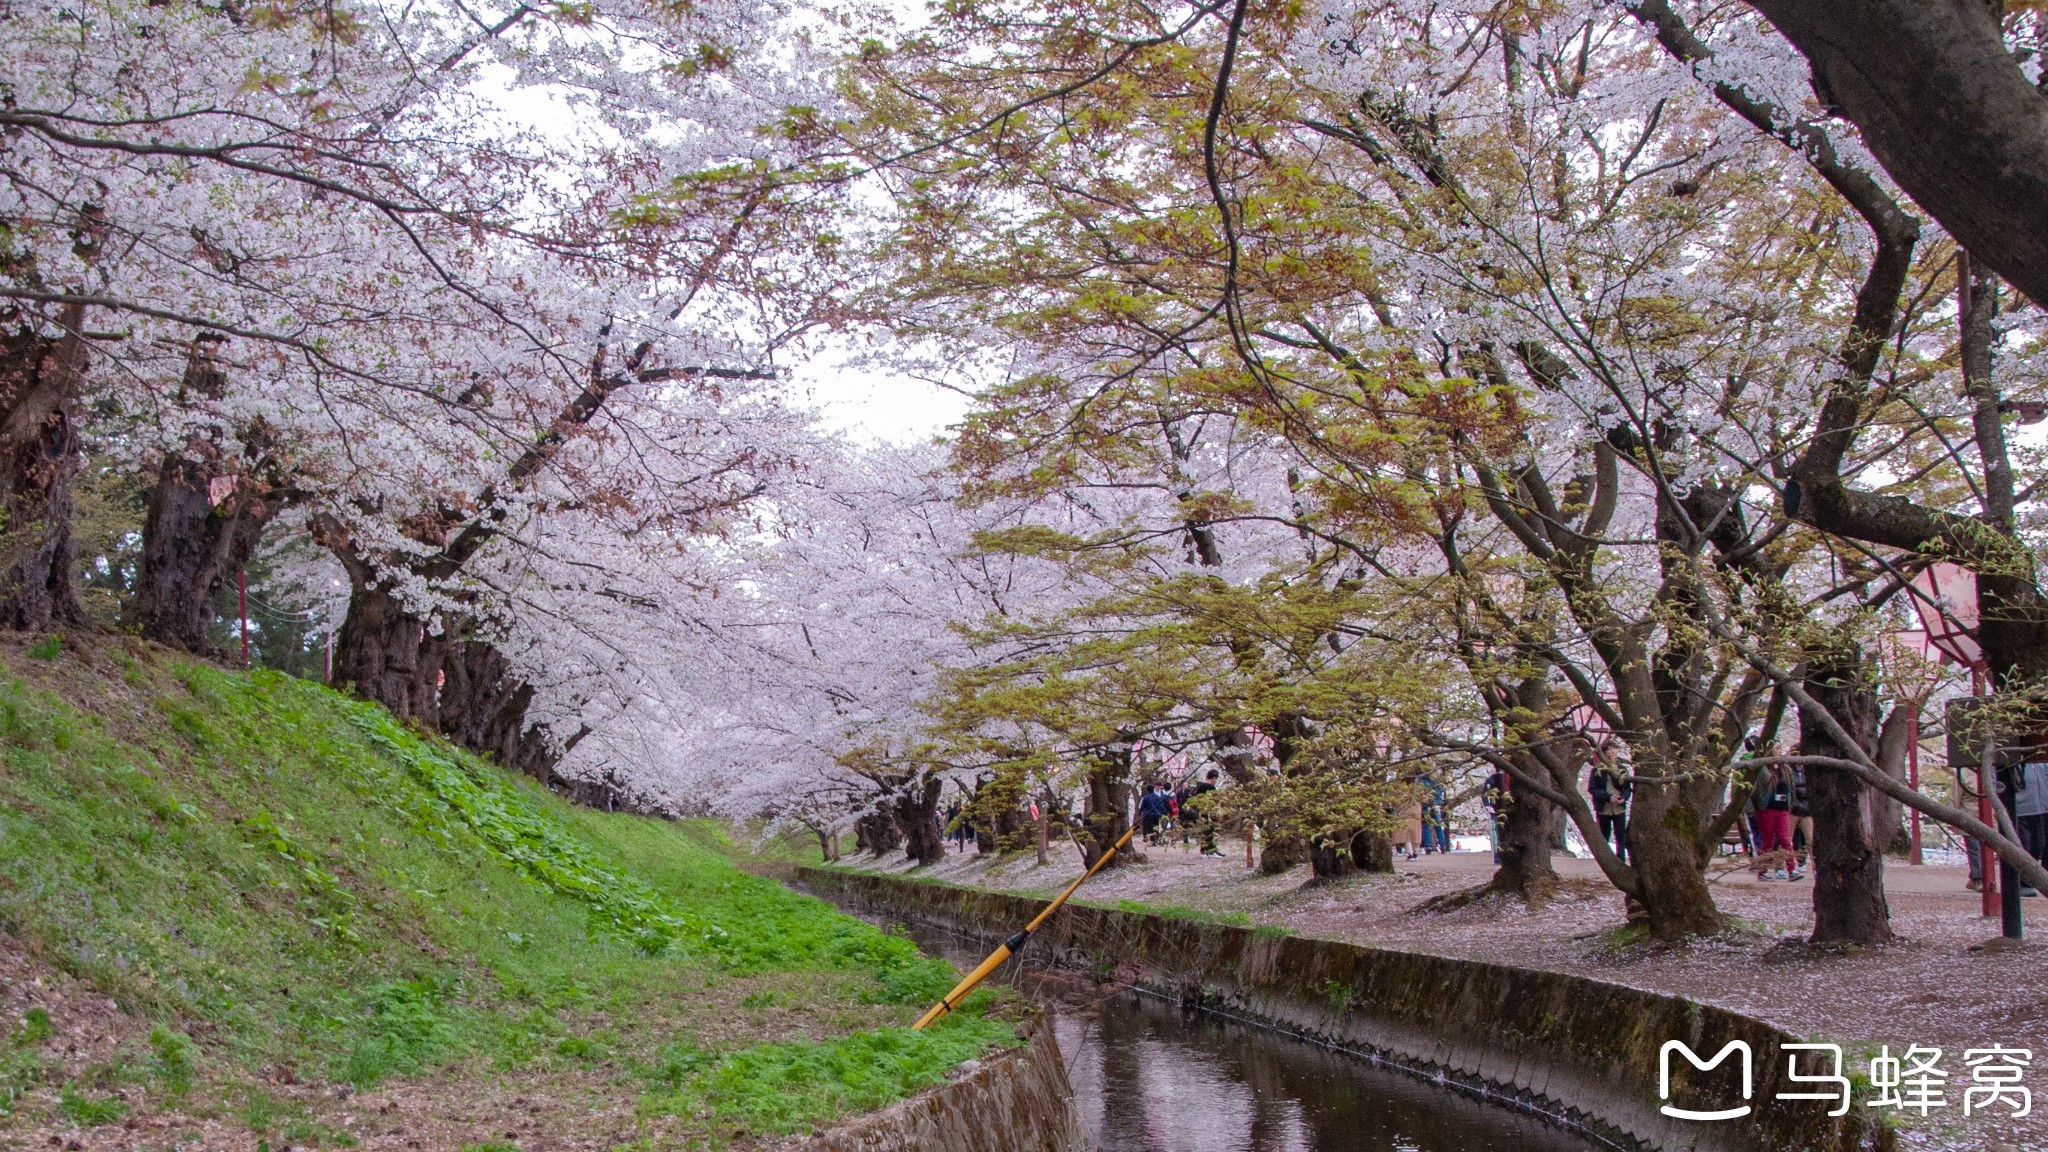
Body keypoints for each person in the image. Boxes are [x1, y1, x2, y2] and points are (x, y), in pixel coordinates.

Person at [1755, 764, 1798, 880]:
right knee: (1769, 842)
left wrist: (1791, 804)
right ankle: (1762, 871)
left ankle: (1792, 870)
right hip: (1767, 809)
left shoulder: (1786, 769)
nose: (1779, 751)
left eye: (1780, 748)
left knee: (1785, 840)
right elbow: (1759, 788)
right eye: (1776, 748)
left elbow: (1792, 788)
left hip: (1783, 809)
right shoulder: (1764, 769)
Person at [1587, 755, 1632, 865]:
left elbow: (1627, 788)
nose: (1612, 753)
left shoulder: (1622, 769)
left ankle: (1621, 859)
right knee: (1604, 835)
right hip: (1604, 808)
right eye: (1609, 751)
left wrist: (1624, 798)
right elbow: (1592, 789)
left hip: (1619, 808)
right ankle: (1606, 861)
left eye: (1615, 750)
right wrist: (1607, 797)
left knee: (1620, 835)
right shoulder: (1597, 770)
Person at [2013, 761, 2048, 897]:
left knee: (2039, 844)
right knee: (2024, 845)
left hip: (2040, 808)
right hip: (2020, 809)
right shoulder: (2011, 758)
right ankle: (2023, 882)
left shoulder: (2039, 759)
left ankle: (2032, 879)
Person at [1192, 769, 1222, 855]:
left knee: (1204, 831)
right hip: (1209, 811)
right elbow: (1215, 800)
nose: (1215, 781)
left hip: (1201, 811)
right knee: (1210, 831)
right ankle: (1210, 850)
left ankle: (1206, 850)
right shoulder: (1210, 787)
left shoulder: (1200, 786)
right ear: (1213, 778)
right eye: (1215, 779)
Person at [1483, 770, 1508, 865]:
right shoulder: (1492, 779)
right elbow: (1484, 794)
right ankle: (1498, 856)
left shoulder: (1493, 778)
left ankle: (1501, 855)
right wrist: (1489, 807)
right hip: (1496, 810)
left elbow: (1484, 794)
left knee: (1499, 832)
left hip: (1501, 809)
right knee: (1497, 833)